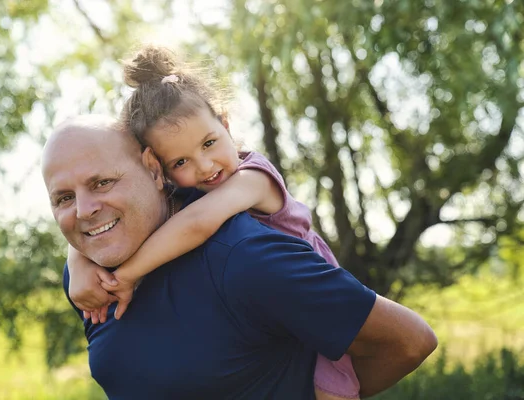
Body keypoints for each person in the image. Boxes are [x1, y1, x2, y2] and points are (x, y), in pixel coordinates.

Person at [42, 113, 437, 399]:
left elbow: (409, 341)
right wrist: (77, 260)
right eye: (64, 198)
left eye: (103, 182)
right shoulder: (87, 279)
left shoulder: (243, 258)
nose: (84, 210)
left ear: (153, 168)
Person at [67, 45, 360, 399]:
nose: (204, 167)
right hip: (264, 320)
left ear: (224, 123)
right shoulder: (183, 196)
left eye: (208, 143)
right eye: (180, 163)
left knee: (333, 390)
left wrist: (125, 276)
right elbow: (103, 225)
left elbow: (197, 225)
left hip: (314, 302)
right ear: (157, 168)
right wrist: (79, 258)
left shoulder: (253, 177)